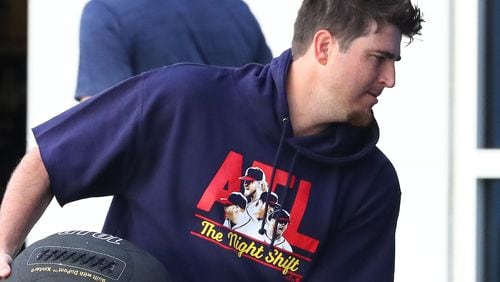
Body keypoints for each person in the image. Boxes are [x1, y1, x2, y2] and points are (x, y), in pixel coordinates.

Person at [0, 0, 423, 281]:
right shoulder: (182, 97)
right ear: (325, 46)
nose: (390, 79)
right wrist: (2, 249)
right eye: (378, 58)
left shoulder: (372, 184)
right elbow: (51, 161)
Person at [75, 0, 273, 101]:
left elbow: (99, 132)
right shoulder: (237, 9)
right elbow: (273, 101)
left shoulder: (106, 13)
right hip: (234, 173)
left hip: (159, 176)